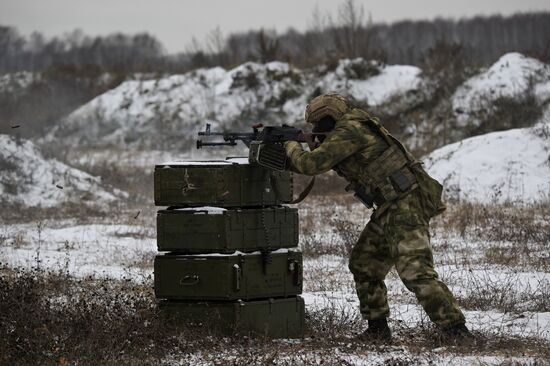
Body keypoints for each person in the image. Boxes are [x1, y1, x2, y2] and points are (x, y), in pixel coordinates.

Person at [284, 93, 470, 342]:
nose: (315, 129)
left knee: (416, 272)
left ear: (330, 117)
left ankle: (456, 331)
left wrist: (290, 145)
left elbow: (310, 165)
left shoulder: (350, 130)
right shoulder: (352, 125)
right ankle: (378, 330)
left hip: (405, 205)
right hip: (390, 207)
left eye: (318, 124)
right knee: (364, 264)